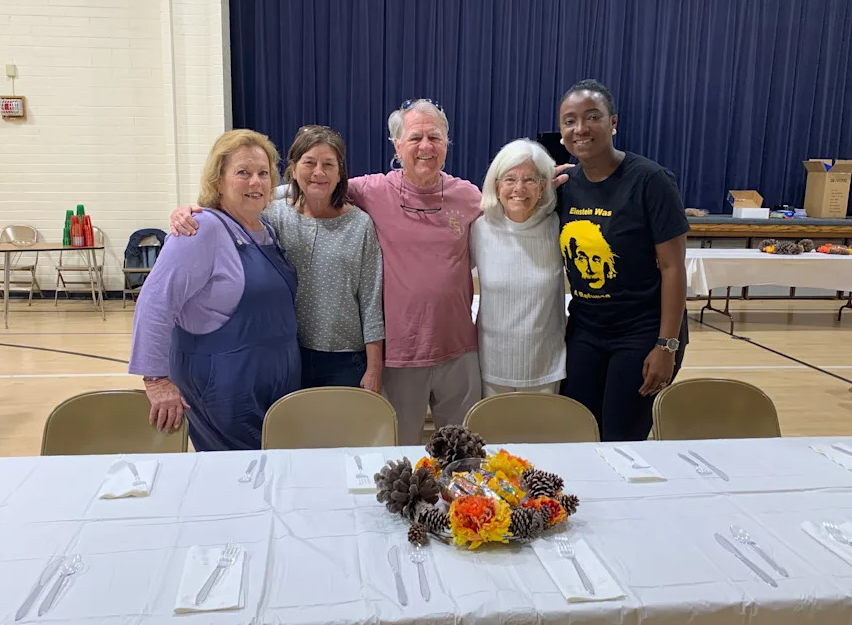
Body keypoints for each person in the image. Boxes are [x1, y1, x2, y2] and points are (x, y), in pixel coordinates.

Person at [172, 102, 572, 445]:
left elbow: (516, 200)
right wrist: (203, 208)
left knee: (463, 450)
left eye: (434, 137)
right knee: (397, 450)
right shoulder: (371, 191)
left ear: (447, 144)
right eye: (414, 138)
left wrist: (550, 184)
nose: (425, 146)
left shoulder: (469, 197)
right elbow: (309, 186)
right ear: (397, 146)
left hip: (460, 352)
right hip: (401, 354)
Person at [128, 129, 300, 451]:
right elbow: (155, 301)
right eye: (243, 173)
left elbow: (310, 186)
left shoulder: (265, 230)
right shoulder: (201, 228)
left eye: (263, 174)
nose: (255, 182)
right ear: (218, 181)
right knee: (239, 480)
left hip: (274, 387)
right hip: (225, 391)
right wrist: (156, 379)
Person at [556, 79, 689, 441]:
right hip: (586, 329)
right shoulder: (564, 184)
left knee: (620, 436)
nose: (580, 128)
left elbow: (673, 267)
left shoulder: (651, 181)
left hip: (642, 332)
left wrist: (667, 345)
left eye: (592, 117)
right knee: (577, 432)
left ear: (613, 122)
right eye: (569, 120)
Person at [262, 125, 385, 391]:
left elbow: (371, 300)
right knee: (295, 431)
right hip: (287, 352)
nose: (318, 172)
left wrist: (374, 369)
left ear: (340, 173)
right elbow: (232, 211)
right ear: (293, 168)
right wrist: (193, 212)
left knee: (343, 432)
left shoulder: (360, 225)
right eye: (309, 163)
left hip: (345, 358)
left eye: (328, 164)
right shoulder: (273, 216)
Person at [470, 139, 566, 397]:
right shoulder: (479, 229)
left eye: (530, 180)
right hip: (491, 365)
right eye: (510, 179)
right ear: (497, 184)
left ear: (543, 185)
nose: (519, 189)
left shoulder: (557, 227)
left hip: (546, 365)